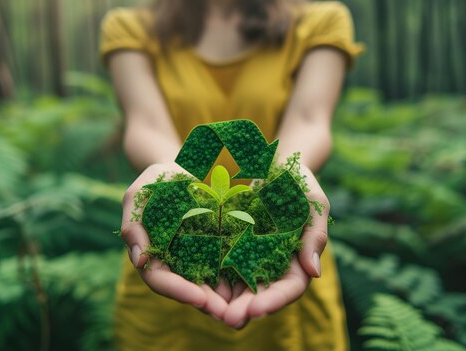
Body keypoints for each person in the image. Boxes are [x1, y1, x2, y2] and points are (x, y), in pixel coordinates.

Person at [100, 0, 363, 349]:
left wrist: (284, 177)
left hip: (282, 248)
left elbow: (310, 120)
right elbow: (145, 123)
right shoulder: (133, 27)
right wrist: (173, 177)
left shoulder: (319, 21)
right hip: (170, 253)